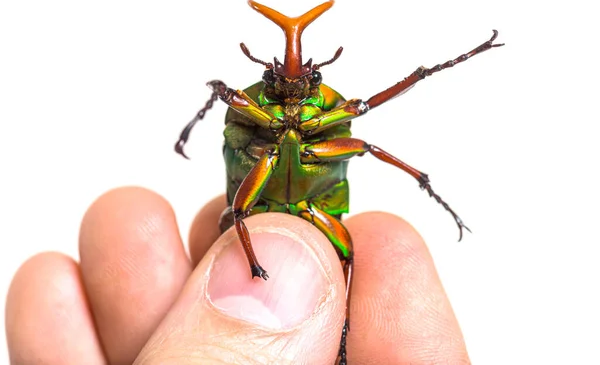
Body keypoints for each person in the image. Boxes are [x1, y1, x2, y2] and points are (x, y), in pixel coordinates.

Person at [5, 187, 470, 364]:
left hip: (314, 218)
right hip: (250, 215)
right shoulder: (247, 112)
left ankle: (341, 335)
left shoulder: (330, 117)